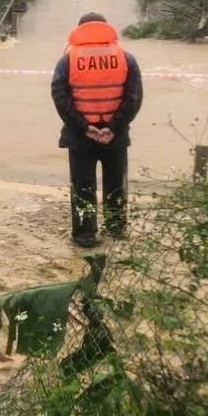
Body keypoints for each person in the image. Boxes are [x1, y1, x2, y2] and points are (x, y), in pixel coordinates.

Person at [51, 13, 143, 248]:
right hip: (115, 136)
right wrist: (114, 127)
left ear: (80, 30)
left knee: (82, 187)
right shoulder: (125, 58)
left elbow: (60, 97)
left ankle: (85, 236)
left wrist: (84, 127)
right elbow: (133, 98)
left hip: (80, 136)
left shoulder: (68, 60)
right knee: (116, 186)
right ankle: (116, 229)